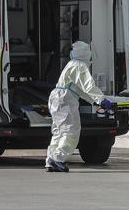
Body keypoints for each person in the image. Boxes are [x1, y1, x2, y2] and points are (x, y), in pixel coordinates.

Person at [45, 41, 106, 172]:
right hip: (65, 99)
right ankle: (58, 159)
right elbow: (88, 86)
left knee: (59, 131)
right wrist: (101, 99)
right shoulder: (80, 65)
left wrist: (95, 102)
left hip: (57, 97)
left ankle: (51, 159)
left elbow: (79, 89)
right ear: (86, 54)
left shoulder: (71, 64)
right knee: (70, 131)